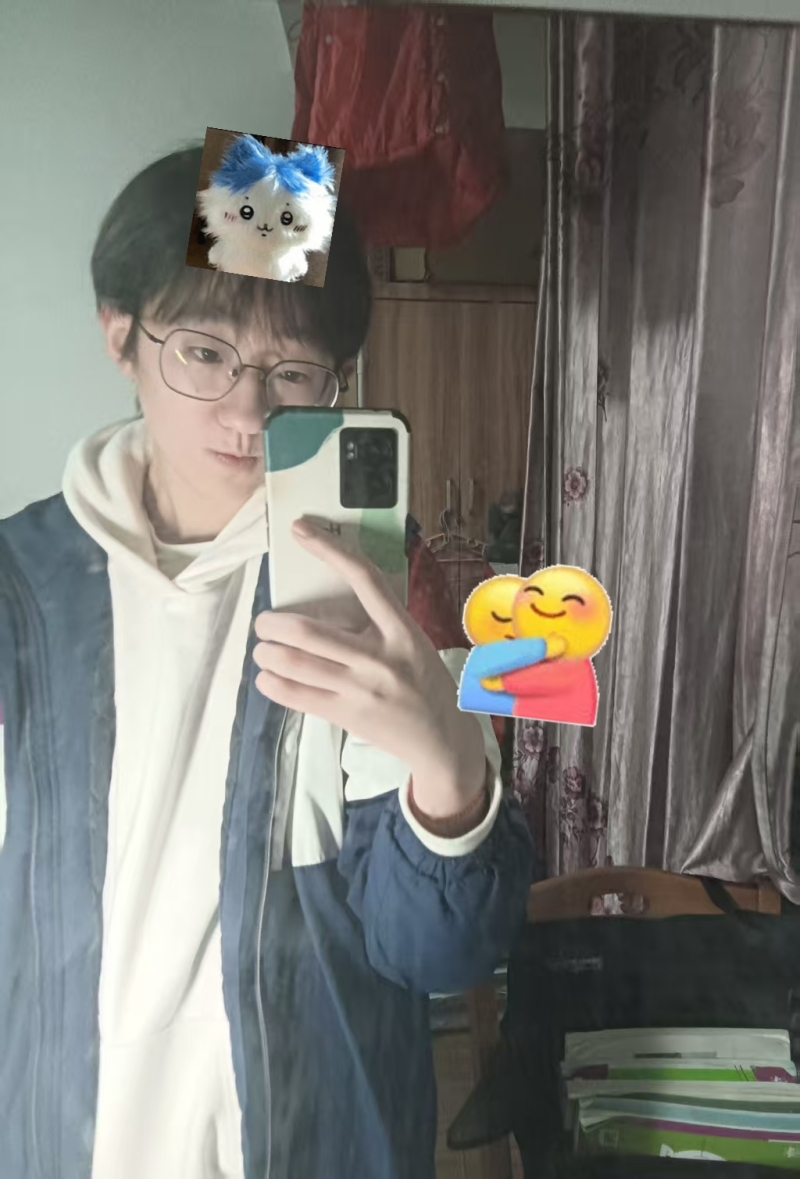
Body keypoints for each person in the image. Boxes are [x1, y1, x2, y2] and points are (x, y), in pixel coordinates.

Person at [0, 144, 537, 1179]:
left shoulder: (371, 578)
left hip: (318, 1144)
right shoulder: (20, 592)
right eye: (204, 352)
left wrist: (449, 770)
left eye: (292, 372)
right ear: (120, 334)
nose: (248, 414)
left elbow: (436, 956)